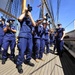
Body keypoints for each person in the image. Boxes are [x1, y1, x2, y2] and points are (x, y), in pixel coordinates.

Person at [16, 8, 46, 73]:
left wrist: (30, 15)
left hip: (29, 37)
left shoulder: (30, 19)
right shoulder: (23, 19)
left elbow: (35, 24)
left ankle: (27, 60)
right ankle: (19, 64)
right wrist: (25, 12)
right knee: (22, 50)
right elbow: (19, 18)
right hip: (23, 36)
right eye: (28, 12)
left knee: (30, 49)